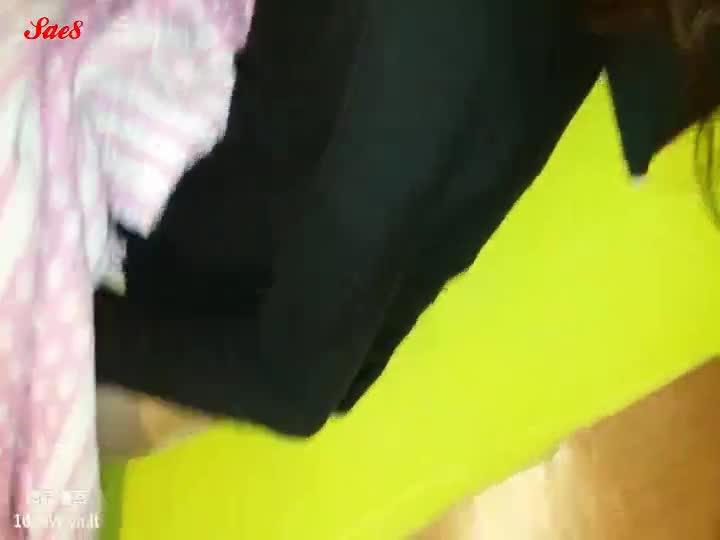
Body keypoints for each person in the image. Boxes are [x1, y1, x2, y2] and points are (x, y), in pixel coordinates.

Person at [93, 0, 720, 454]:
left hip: (205, 275)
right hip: (289, 181)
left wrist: (70, 318)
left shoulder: (440, 42)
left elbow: (290, 387)